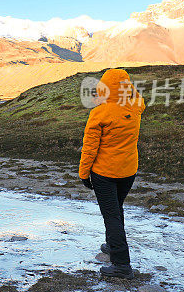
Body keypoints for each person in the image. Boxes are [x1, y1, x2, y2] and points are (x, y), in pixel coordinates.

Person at [78, 68, 145, 279]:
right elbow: (136, 96)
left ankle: (122, 265)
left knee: (112, 217)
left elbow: (89, 148)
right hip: (128, 171)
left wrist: (83, 174)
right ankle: (112, 246)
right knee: (116, 210)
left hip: (104, 173)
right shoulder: (136, 106)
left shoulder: (99, 113)